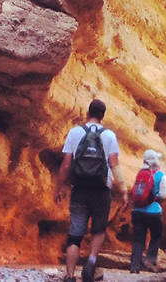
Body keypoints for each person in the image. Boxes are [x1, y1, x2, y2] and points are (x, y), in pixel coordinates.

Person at [54, 99, 129, 282]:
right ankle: (91, 262)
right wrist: (124, 190)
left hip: (79, 188)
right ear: (103, 116)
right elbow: (114, 165)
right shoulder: (109, 135)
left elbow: (65, 165)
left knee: (75, 233)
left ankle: (70, 275)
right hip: (102, 190)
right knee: (98, 230)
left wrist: (58, 188)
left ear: (88, 113)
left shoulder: (75, 132)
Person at [129, 149, 166, 273]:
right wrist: (156, 197)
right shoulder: (161, 175)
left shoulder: (140, 173)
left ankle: (134, 267)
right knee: (156, 235)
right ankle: (150, 261)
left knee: (138, 239)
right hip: (154, 212)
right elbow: (163, 194)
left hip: (137, 211)